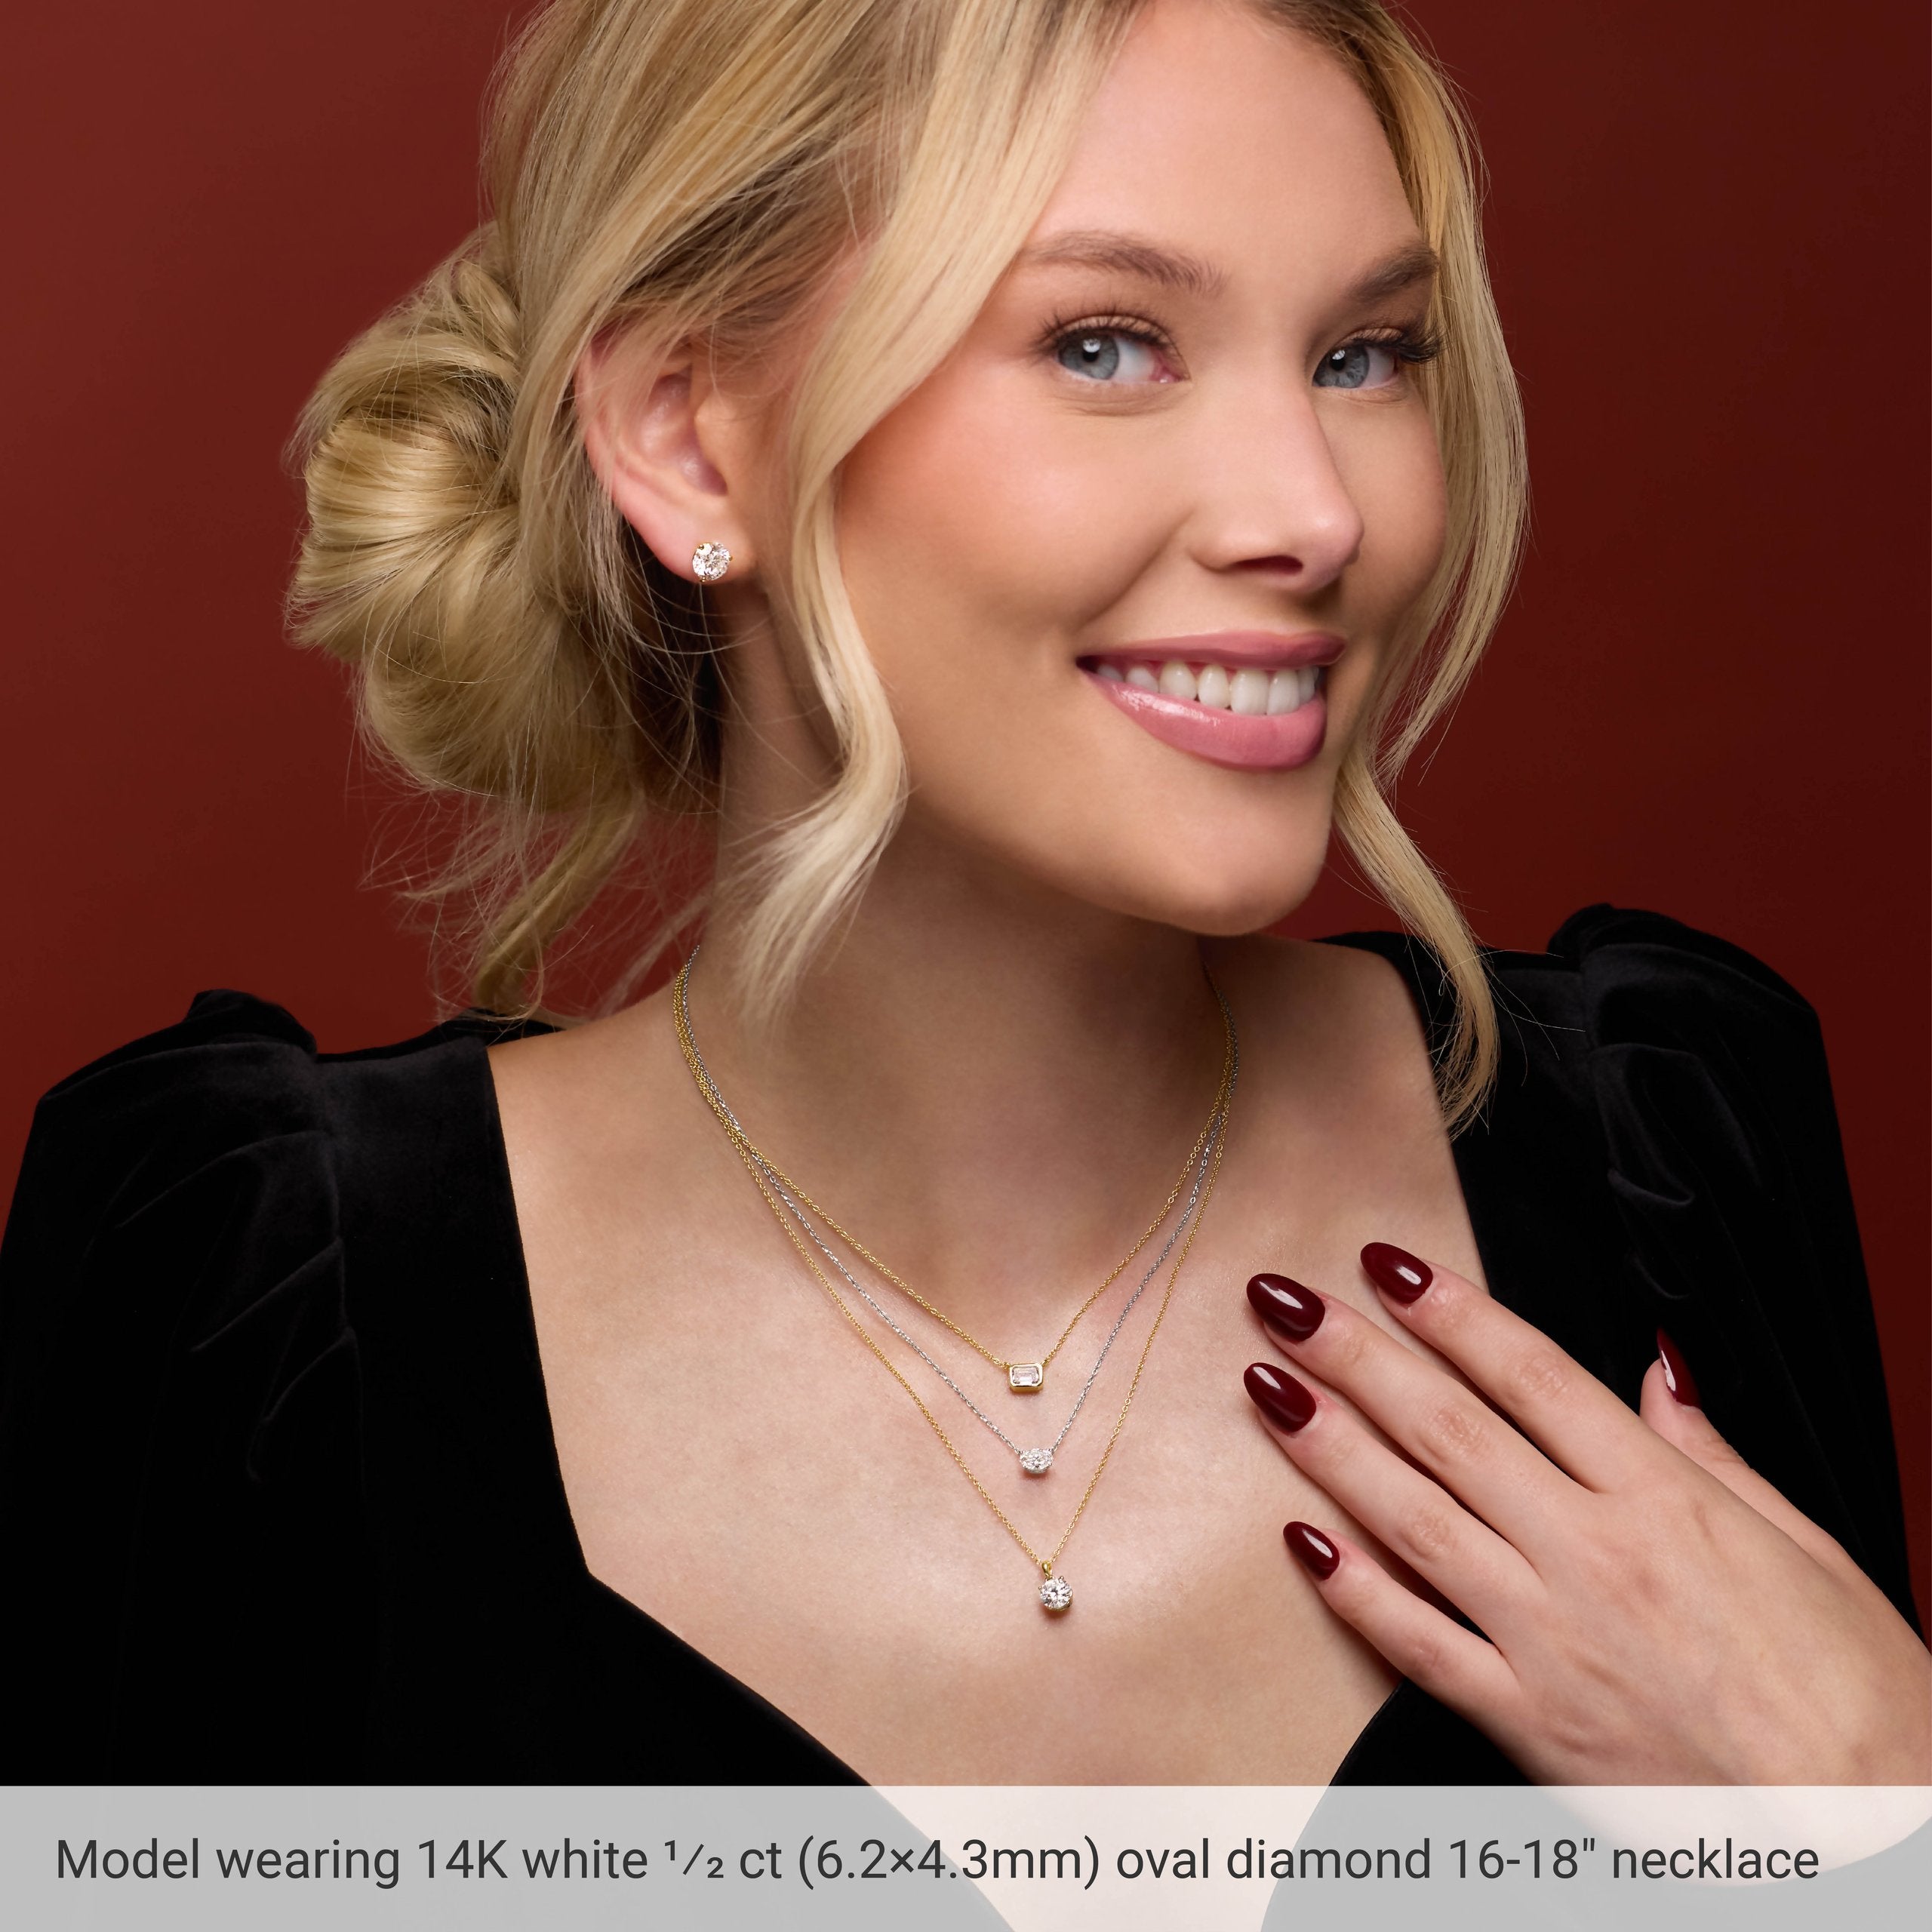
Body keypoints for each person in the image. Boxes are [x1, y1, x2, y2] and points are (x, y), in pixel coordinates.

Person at [1, 0, 1924, 1788]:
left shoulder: (1665, 1155)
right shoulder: (258, 1301)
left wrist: (1873, 1795)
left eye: (1362, 355)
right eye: (1105, 344)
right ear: (684, 431)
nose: (1315, 512)